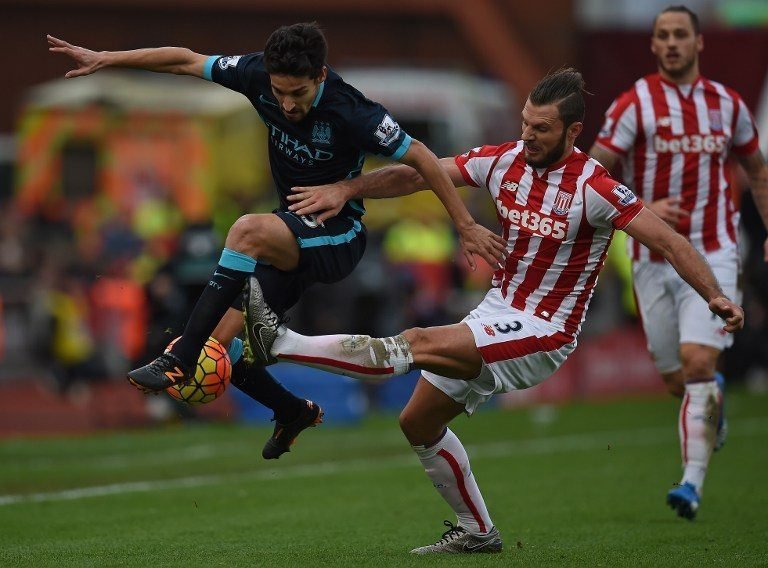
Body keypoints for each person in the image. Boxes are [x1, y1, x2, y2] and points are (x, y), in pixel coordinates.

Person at [244, 68, 744, 553]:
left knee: (416, 341)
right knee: (417, 422)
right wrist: (348, 188)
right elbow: (421, 172)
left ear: (573, 131)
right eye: (525, 122)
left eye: (541, 128)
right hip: (495, 314)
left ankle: (282, 342)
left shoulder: (595, 188)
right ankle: (477, 530)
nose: (527, 135)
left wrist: (714, 295)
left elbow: (670, 241)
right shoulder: (504, 161)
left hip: (545, 331)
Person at [48, 23, 505, 459]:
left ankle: (181, 357)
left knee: (246, 230)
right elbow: (185, 60)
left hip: (338, 236)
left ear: (320, 76)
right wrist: (107, 58)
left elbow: (421, 157)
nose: (286, 104)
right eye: (279, 91)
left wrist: (462, 224)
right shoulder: (255, 75)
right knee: (224, 346)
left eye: (298, 93)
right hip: (291, 235)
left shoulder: (352, 110)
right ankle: (291, 411)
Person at [589, 5, 768, 520]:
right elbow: (593, 173)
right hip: (650, 255)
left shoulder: (728, 105)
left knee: (697, 363)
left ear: (698, 42)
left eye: (680, 35)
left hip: (714, 249)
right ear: (653, 44)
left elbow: (756, 169)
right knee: (676, 378)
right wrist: (641, 206)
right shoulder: (633, 104)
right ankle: (712, 401)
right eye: (662, 35)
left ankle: (690, 483)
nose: (671, 43)